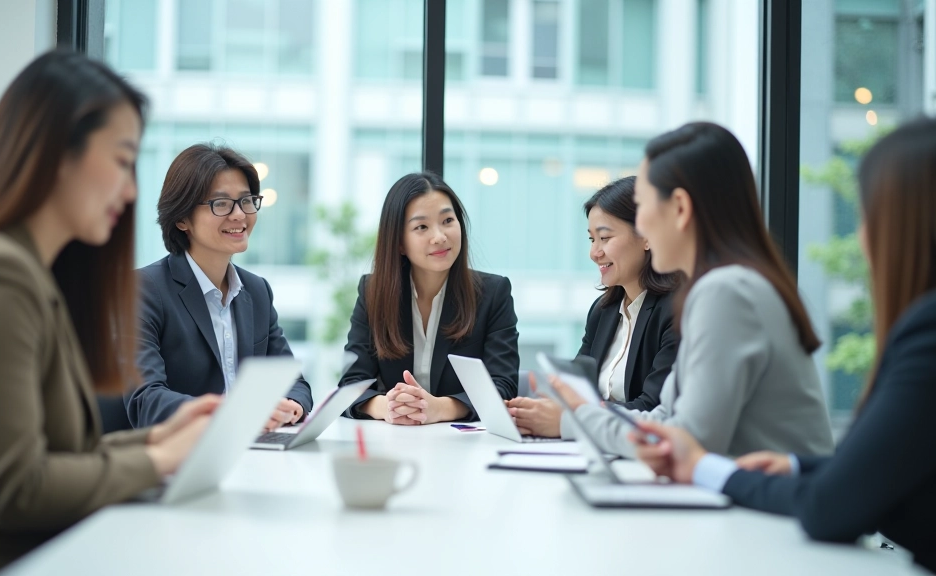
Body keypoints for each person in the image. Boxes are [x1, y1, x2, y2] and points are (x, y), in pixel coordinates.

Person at [632, 114, 936, 576]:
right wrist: (799, 467)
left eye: (867, 214)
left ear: (905, 226)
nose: (860, 237)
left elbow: (832, 508)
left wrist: (706, 467)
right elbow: (885, 470)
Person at [0, 51, 216, 575]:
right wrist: (159, 460)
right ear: (56, 153)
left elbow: (61, 452)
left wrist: (156, 436)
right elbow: (17, 488)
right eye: (122, 160)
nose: (131, 190)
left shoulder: (37, 274)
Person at [552, 122, 834, 459]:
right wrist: (578, 416)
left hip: (765, 507)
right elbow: (664, 419)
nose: (641, 227)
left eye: (643, 208)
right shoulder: (726, 286)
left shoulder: (727, 293)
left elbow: (684, 443)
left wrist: (575, 419)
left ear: (681, 209)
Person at [126, 144, 312, 430]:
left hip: (250, 454)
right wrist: (231, 413)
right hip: (178, 460)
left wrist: (290, 408)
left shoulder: (256, 291)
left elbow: (294, 383)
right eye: (221, 203)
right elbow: (146, 402)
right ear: (181, 218)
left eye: (247, 200)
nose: (239, 215)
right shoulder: (143, 290)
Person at [506, 177, 681, 438]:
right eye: (591, 240)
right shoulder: (603, 311)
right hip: (593, 445)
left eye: (605, 238)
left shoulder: (676, 311)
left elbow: (652, 407)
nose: (594, 252)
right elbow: (575, 391)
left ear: (646, 237)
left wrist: (572, 420)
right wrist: (541, 409)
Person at [339, 172, 519, 424]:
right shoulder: (373, 292)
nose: (440, 236)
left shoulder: (493, 293)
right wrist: (386, 406)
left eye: (447, 220)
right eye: (421, 227)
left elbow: (504, 384)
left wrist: (440, 408)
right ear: (399, 242)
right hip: (393, 441)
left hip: (463, 449)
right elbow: (351, 383)